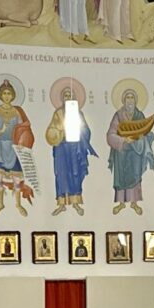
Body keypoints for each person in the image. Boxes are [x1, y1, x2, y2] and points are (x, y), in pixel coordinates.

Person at [0, 79, 35, 218]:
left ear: (13, 95)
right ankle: (0, 204)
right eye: (4, 93)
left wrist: (23, 140)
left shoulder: (17, 112)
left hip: (13, 148)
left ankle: (18, 204)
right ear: (0, 95)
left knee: (17, 178)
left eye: (9, 93)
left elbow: (25, 129)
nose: (7, 96)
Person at [46, 85, 98, 216]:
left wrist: (79, 134)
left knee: (75, 173)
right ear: (62, 98)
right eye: (66, 95)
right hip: (61, 147)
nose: (68, 98)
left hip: (75, 148)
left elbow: (86, 130)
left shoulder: (78, 114)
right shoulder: (58, 113)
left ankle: (76, 202)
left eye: (70, 95)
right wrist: (60, 131)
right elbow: (51, 130)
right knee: (61, 174)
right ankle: (61, 204)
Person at [107, 88, 154, 214]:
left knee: (135, 176)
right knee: (121, 177)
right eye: (127, 98)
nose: (130, 100)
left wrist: (142, 137)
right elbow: (110, 134)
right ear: (123, 100)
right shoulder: (118, 115)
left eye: (132, 97)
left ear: (135, 100)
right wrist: (123, 140)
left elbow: (145, 132)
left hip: (135, 152)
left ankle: (134, 202)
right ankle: (121, 203)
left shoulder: (139, 116)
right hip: (121, 151)